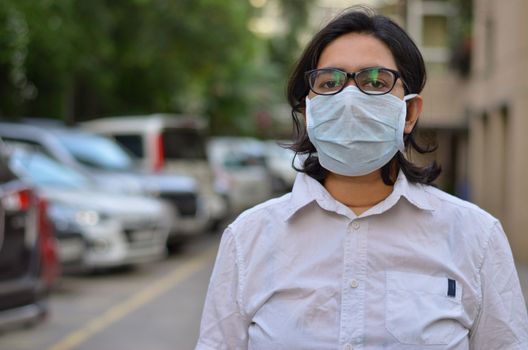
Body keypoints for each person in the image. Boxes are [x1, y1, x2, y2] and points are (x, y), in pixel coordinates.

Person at [195, 7, 528, 350]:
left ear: (410, 112)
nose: (350, 99)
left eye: (375, 82)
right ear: (309, 113)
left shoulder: (476, 237)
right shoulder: (248, 238)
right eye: (329, 82)